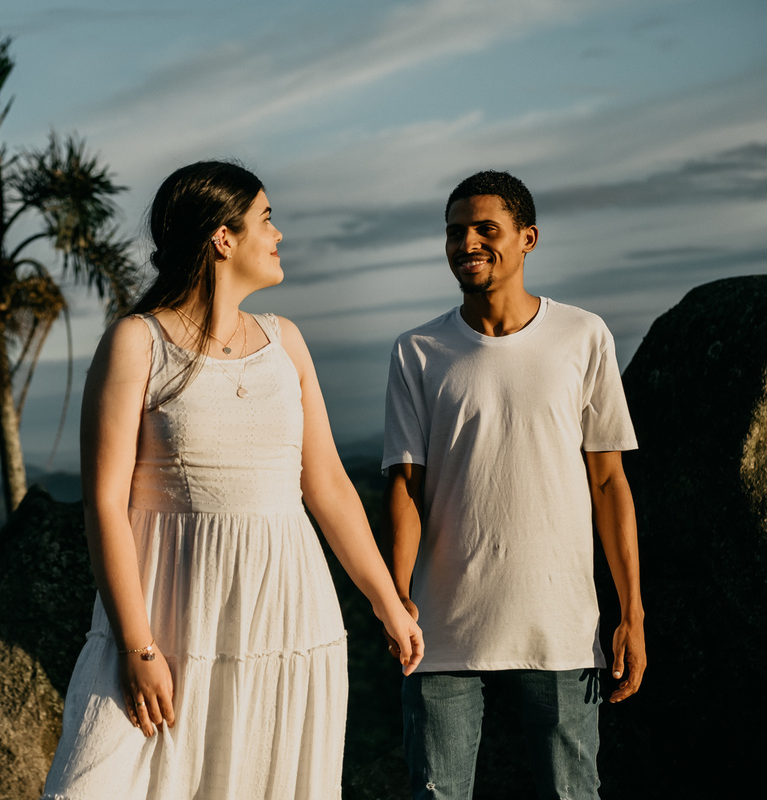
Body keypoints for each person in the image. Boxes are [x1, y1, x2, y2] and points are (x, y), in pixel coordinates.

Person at [42, 160, 424, 800]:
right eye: (267, 218)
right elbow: (105, 505)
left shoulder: (286, 342)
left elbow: (326, 485)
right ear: (223, 237)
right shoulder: (138, 342)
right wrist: (138, 649)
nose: (278, 235)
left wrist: (389, 605)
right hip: (165, 623)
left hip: (285, 618)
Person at [381, 170, 647, 800]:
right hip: (440, 629)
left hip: (560, 623)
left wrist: (631, 613)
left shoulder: (583, 336)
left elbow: (609, 482)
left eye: (484, 229)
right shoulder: (417, 351)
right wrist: (395, 597)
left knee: (572, 793)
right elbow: (406, 489)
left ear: (527, 238)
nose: (466, 243)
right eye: (453, 232)